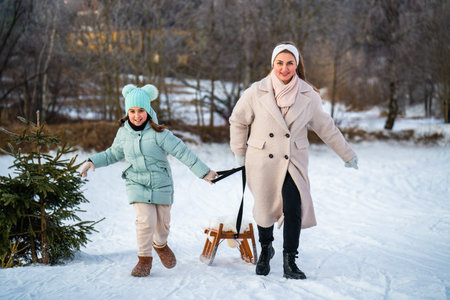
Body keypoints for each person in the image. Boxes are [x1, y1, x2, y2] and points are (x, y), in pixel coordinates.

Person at [229, 41, 358, 280]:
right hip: (262, 158)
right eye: (280, 63)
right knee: (265, 207)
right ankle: (266, 249)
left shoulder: (309, 95)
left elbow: (326, 128)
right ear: (273, 64)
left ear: (296, 66)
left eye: (290, 63)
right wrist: (239, 151)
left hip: (292, 160)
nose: (284, 68)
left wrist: (347, 153)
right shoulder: (256, 91)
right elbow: (238, 120)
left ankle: (290, 259)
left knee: (293, 207)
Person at [80, 83, 218, 277]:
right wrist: (92, 160)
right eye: (132, 111)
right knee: (145, 221)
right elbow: (112, 154)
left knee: (162, 225)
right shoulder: (123, 134)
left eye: (141, 110)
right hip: (136, 183)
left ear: (148, 111)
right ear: (127, 112)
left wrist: (204, 172)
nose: (137, 115)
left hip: (161, 183)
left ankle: (160, 244)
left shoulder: (160, 134)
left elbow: (182, 152)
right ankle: (144, 259)